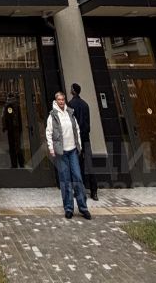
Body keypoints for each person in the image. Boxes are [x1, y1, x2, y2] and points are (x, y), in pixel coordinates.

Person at [46, 91, 91, 219]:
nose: (61, 101)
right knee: (65, 180)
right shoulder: (52, 116)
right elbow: (49, 132)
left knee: (78, 177)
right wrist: (51, 148)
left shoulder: (70, 113)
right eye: (59, 100)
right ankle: (68, 208)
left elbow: (76, 129)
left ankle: (83, 207)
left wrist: (79, 145)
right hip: (61, 152)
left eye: (63, 99)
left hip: (72, 150)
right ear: (56, 101)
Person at [68, 83, 98, 200]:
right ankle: (94, 191)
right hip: (86, 137)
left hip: (76, 139)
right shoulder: (85, 104)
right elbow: (87, 122)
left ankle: (80, 190)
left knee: (77, 165)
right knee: (89, 163)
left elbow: (71, 123)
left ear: (73, 91)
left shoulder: (71, 104)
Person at [1, 93, 25, 168]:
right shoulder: (17, 104)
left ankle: (15, 164)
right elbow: (19, 118)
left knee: (13, 147)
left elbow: (9, 117)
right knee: (17, 146)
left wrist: (6, 127)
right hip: (17, 128)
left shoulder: (9, 106)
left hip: (12, 129)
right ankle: (21, 164)